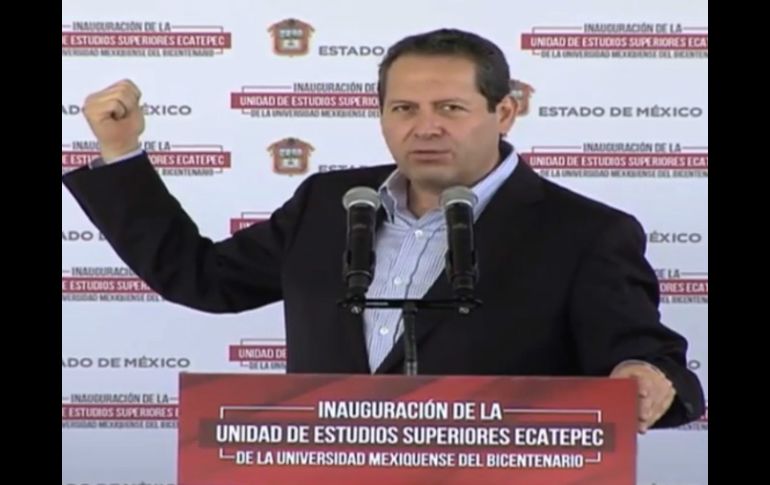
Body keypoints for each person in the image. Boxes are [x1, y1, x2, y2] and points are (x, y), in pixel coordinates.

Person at [62, 28, 705, 432]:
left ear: (505, 111)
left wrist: (645, 379)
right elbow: (202, 278)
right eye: (403, 108)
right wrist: (121, 152)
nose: (425, 127)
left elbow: (654, 364)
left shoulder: (585, 232)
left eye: (450, 108)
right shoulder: (329, 203)